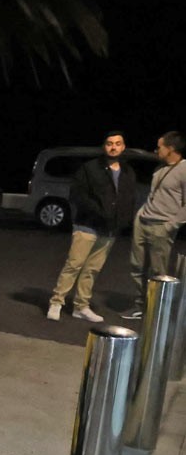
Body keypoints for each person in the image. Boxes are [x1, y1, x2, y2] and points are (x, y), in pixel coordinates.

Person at [46, 131, 137, 322]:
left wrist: (123, 221)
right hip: (87, 224)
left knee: (92, 269)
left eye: (118, 143)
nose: (114, 147)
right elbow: (78, 195)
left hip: (110, 229)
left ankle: (81, 306)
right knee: (74, 264)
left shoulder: (128, 172)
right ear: (104, 146)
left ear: (123, 147)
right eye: (110, 143)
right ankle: (56, 302)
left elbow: (129, 199)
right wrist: (99, 213)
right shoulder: (90, 168)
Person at [122, 130, 186, 319]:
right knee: (137, 266)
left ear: (171, 148)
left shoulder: (183, 169)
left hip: (162, 226)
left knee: (158, 271)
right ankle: (141, 305)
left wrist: (171, 225)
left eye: (160, 147)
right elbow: (154, 195)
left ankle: (158, 311)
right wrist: (140, 214)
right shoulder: (160, 167)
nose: (156, 150)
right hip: (143, 222)